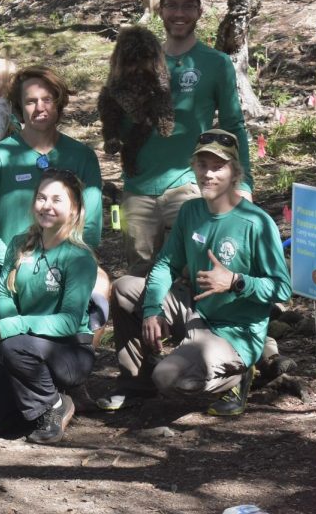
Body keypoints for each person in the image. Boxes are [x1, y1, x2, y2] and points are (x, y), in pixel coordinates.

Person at [100, 130, 290, 416]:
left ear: (235, 171)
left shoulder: (256, 223)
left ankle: (238, 376)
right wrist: (152, 309)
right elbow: (166, 264)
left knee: (168, 377)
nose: (209, 174)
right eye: (202, 165)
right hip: (195, 310)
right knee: (126, 287)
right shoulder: (191, 211)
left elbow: (281, 289)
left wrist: (236, 282)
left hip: (233, 331)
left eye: (218, 166)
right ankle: (136, 383)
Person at [119, 0, 252, 276]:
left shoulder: (216, 63)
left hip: (188, 184)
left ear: (200, 12)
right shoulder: (138, 60)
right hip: (137, 188)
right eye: (172, 6)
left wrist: (243, 184)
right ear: (160, 10)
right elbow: (121, 119)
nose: (179, 13)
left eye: (188, 6)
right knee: (138, 274)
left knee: (191, 271)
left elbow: (234, 126)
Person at [0, 170, 97, 445]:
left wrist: (17, 327)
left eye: (56, 199)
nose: (46, 205)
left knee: (15, 346)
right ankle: (40, 403)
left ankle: (53, 406)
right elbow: (3, 292)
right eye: (41, 198)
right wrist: (13, 324)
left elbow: (70, 321)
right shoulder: (18, 243)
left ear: (73, 209)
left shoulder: (80, 257)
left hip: (70, 351)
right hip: (24, 350)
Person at [0, 66, 102, 280]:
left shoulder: (82, 157)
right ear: (19, 107)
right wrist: (15, 262)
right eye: (31, 101)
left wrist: (65, 264)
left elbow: (92, 226)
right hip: (13, 276)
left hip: (67, 275)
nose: (39, 108)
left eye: (47, 99)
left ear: (59, 103)